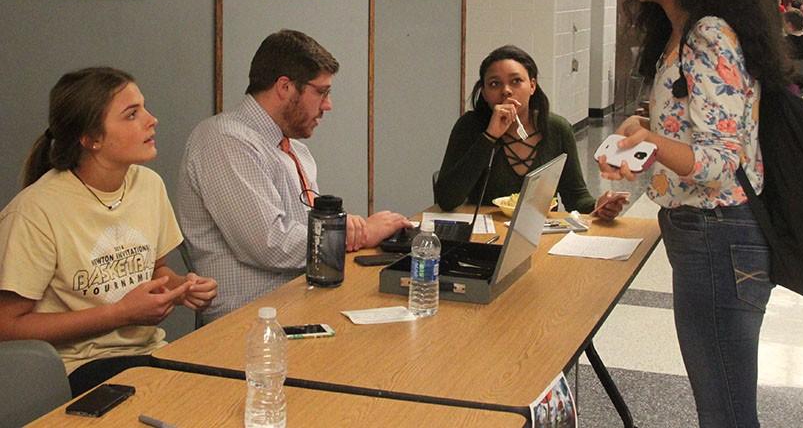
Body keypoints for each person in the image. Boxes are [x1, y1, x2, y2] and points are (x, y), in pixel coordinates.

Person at [599, 0, 790, 428]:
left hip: (720, 235)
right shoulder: (679, 35)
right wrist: (644, 137)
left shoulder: (708, 34)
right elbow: (694, 136)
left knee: (725, 407)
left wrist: (653, 142)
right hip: (704, 234)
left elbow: (718, 162)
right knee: (720, 402)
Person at [0, 67, 218, 397]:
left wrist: (182, 287)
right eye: (132, 114)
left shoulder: (149, 185)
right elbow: (8, 325)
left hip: (149, 355)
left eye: (143, 107)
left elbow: (155, 270)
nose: (151, 119)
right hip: (77, 369)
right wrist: (119, 314)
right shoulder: (34, 211)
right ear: (90, 139)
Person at [177, 30, 411, 321]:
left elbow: (305, 232)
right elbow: (269, 244)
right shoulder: (224, 140)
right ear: (285, 87)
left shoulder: (295, 150)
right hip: (246, 324)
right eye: (322, 92)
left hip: (298, 306)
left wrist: (348, 229)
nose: (328, 105)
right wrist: (360, 234)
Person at [434, 45, 624, 220]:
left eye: (516, 81)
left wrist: (599, 206)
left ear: (532, 86)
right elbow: (447, 199)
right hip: (485, 238)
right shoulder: (470, 126)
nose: (506, 91)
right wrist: (489, 136)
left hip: (540, 235)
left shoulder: (556, 128)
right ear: (483, 93)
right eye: (494, 84)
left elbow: (576, 196)